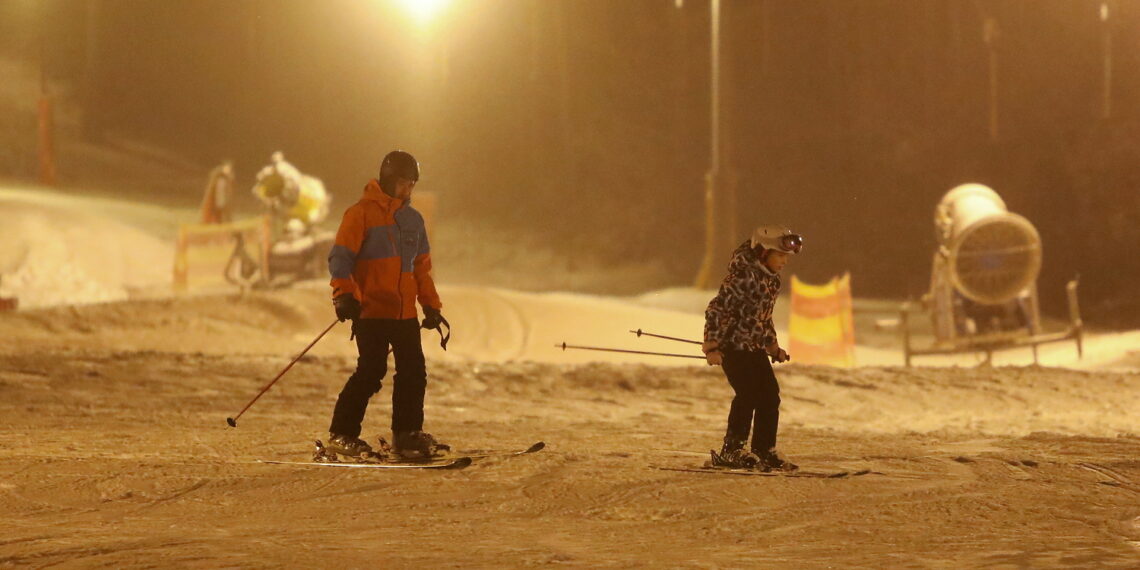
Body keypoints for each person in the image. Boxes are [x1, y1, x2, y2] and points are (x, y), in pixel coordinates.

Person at [324, 150, 448, 460]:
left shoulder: (413, 220)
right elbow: (341, 258)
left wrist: (431, 305)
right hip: (371, 311)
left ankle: (406, 434)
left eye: (412, 185)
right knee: (371, 370)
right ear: (389, 181)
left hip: (404, 313)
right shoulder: (360, 214)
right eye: (404, 184)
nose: (408, 190)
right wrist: (344, 295)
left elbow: (421, 268)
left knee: (413, 371)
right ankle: (342, 432)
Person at [702, 225, 803, 471]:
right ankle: (732, 450)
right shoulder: (742, 277)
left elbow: (763, 318)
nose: (784, 262)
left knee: (769, 395)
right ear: (762, 252)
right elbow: (717, 310)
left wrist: (772, 346)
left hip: (754, 348)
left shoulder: (771, 281)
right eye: (780, 255)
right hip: (733, 348)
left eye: (786, 257)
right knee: (747, 395)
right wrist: (712, 346)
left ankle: (764, 449)